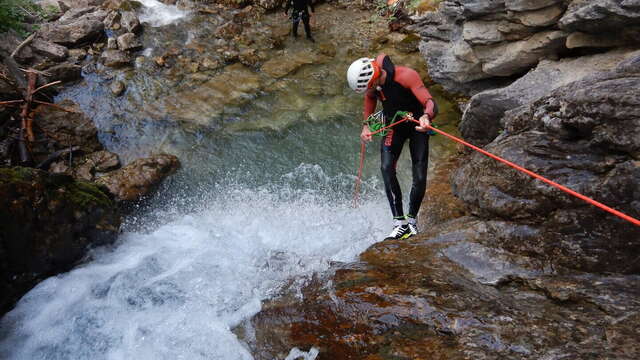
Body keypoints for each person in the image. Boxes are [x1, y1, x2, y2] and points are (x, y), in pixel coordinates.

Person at [347, 54, 437, 240]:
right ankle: (399, 223)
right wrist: (366, 125)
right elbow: (370, 99)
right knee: (387, 168)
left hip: (417, 125)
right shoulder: (373, 86)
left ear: (375, 78)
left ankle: (412, 221)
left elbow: (430, 102)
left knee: (419, 173)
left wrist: (427, 116)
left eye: (369, 86)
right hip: (393, 126)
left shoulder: (406, 76)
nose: (369, 91)